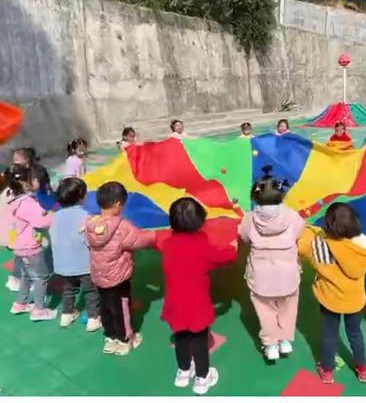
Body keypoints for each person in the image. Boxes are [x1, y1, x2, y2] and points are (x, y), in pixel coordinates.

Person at [162, 198, 237, 395]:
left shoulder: (168, 244)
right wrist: (233, 248)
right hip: (196, 306)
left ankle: (183, 372)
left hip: (175, 304)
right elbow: (219, 258)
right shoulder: (201, 243)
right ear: (200, 221)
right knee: (199, 342)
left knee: (181, 338)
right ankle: (202, 378)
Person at [298, 203, 366, 385]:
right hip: (354, 300)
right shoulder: (363, 245)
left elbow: (303, 246)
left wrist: (307, 227)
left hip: (330, 299)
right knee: (355, 333)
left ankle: (326, 370)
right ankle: (362, 368)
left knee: (329, 335)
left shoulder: (319, 245)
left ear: (329, 225)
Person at [239, 168, 305, 361]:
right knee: (288, 308)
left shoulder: (249, 218)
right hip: (288, 276)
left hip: (261, 278)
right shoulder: (292, 216)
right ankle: (285, 340)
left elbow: (244, 237)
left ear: (255, 195)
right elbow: (299, 232)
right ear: (281, 194)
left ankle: (271, 344)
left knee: (265, 312)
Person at [85, 182, 156, 355]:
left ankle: (110, 337)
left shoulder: (91, 223)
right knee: (121, 306)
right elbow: (139, 239)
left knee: (106, 306)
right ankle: (125, 339)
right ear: (117, 204)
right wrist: (155, 236)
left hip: (99, 275)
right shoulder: (121, 226)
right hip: (118, 277)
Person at [5, 164, 56, 321]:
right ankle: (39, 309)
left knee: (26, 275)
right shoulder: (28, 203)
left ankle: (20, 303)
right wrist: (51, 215)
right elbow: (42, 222)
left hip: (19, 246)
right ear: (24, 183)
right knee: (41, 277)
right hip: (31, 248)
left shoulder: (12, 199)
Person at [50, 178, 101, 332]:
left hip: (62, 265)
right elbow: (92, 240)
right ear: (81, 196)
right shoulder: (86, 217)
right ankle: (93, 318)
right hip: (84, 264)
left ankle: (66, 314)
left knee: (68, 290)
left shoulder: (55, 216)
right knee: (91, 291)